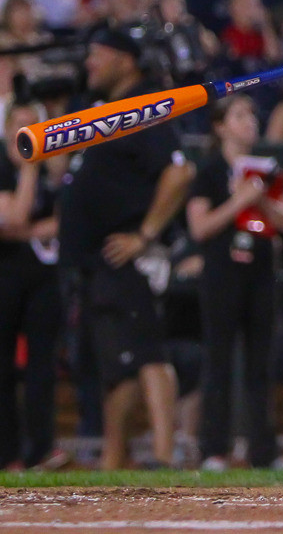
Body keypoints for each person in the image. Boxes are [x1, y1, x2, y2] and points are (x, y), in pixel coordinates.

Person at [57, 27, 194, 469]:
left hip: (128, 254)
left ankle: (162, 454)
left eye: (99, 54)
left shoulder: (143, 107)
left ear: (126, 60)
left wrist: (146, 235)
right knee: (118, 364)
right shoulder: (99, 110)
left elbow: (179, 172)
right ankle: (114, 459)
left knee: (149, 354)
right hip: (100, 261)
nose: (90, 63)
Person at [186, 95, 283, 470]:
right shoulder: (210, 170)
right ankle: (212, 449)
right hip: (222, 269)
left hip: (262, 269)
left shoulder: (269, 169)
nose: (249, 121)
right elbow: (200, 227)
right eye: (239, 115)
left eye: (251, 114)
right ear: (220, 127)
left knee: (261, 362)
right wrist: (240, 201)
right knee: (218, 359)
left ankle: (263, 451)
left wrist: (261, 200)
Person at [0, 102, 62, 470]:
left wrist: (25, 231)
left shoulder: (53, 170)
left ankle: (42, 449)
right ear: (7, 128)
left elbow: (68, 217)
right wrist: (28, 169)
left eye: (34, 125)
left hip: (41, 274)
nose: (27, 131)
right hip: (5, 271)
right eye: (20, 125)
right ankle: (7, 455)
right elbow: (14, 216)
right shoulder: (7, 167)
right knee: (2, 367)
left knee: (43, 365)